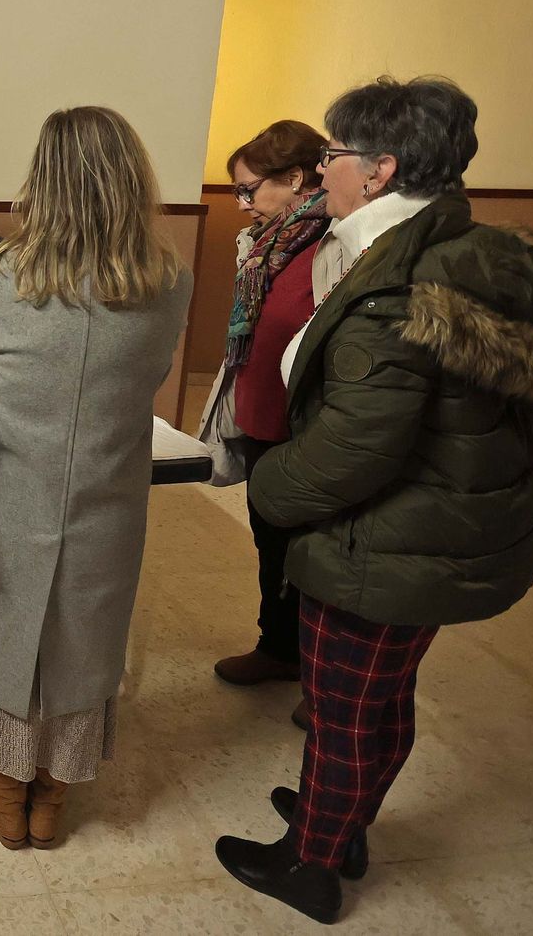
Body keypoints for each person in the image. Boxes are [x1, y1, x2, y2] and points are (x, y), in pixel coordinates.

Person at [215, 76, 533, 924]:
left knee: (345, 704)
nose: (323, 169)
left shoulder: (391, 285)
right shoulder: (467, 245)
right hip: (440, 527)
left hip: (388, 539)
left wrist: (271, 485)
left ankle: (311, 863)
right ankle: (344, 819)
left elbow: (353, 449)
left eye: (333, 155)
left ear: (382, 168)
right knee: (380, 694)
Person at [0, 107, 192, 851]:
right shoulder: (169, 279)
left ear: (42, 178)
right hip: (107, 498)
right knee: (86, 636)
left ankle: (5, 785)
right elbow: (149, 377)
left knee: (4, 630)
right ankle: (52, 793)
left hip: (6, 493)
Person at [200, 121, 331, 731]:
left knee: (312, 554)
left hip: (305, 427)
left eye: (250, 190)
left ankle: (323, 677)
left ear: (296, 180)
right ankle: (277, 650)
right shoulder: (265, 243)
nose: (244, 204)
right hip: (261, 416)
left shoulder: (330, 245)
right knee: (270, 543)